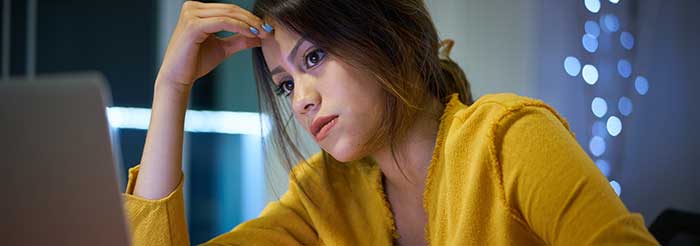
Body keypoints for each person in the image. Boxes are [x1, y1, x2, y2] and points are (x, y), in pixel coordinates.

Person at [123, 0, 660, 245]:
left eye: (313, 59)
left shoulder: (509, 139)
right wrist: (171, 91)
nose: (301, 100)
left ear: (385, 37)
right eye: (285, 84)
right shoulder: (322, 197)